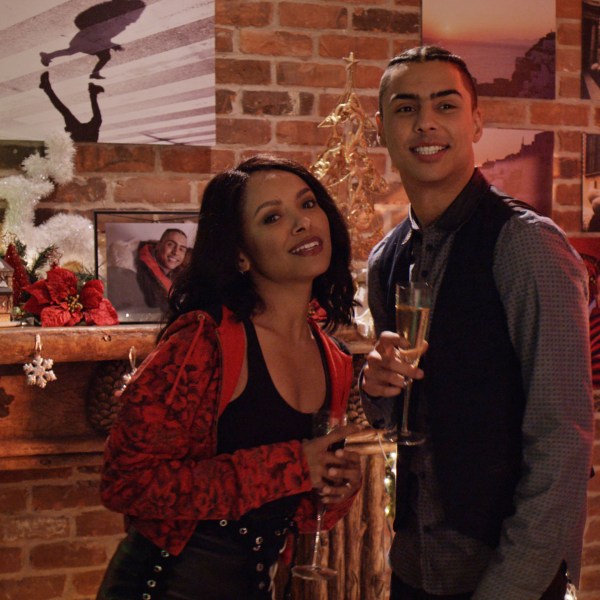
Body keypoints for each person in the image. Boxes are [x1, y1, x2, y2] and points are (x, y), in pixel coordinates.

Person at [360, 46, 593, 600]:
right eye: (405, 108)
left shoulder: (527, 247)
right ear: (382, 129)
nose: (426, 123)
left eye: (445, 105)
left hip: (506, 578)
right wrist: (376, 387)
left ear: (477, 123)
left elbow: (563, 445)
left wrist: (511, 586)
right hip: (414, 569)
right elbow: (397, 420)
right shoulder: (385, 259)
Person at [96, 155, 362, 600]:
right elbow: (125, 482)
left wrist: (337, 489)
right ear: (240, 254)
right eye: (272, 217)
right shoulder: (202, 343)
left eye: (308, 204)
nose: (302, 222)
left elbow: (301, 514)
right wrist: (292, 466)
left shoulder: (334, 358)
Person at [135, 228, 188, 311]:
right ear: (158, 245)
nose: (176, 252)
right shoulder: (139, 271)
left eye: (181, 249)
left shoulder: (183, 275)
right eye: (170, 245)